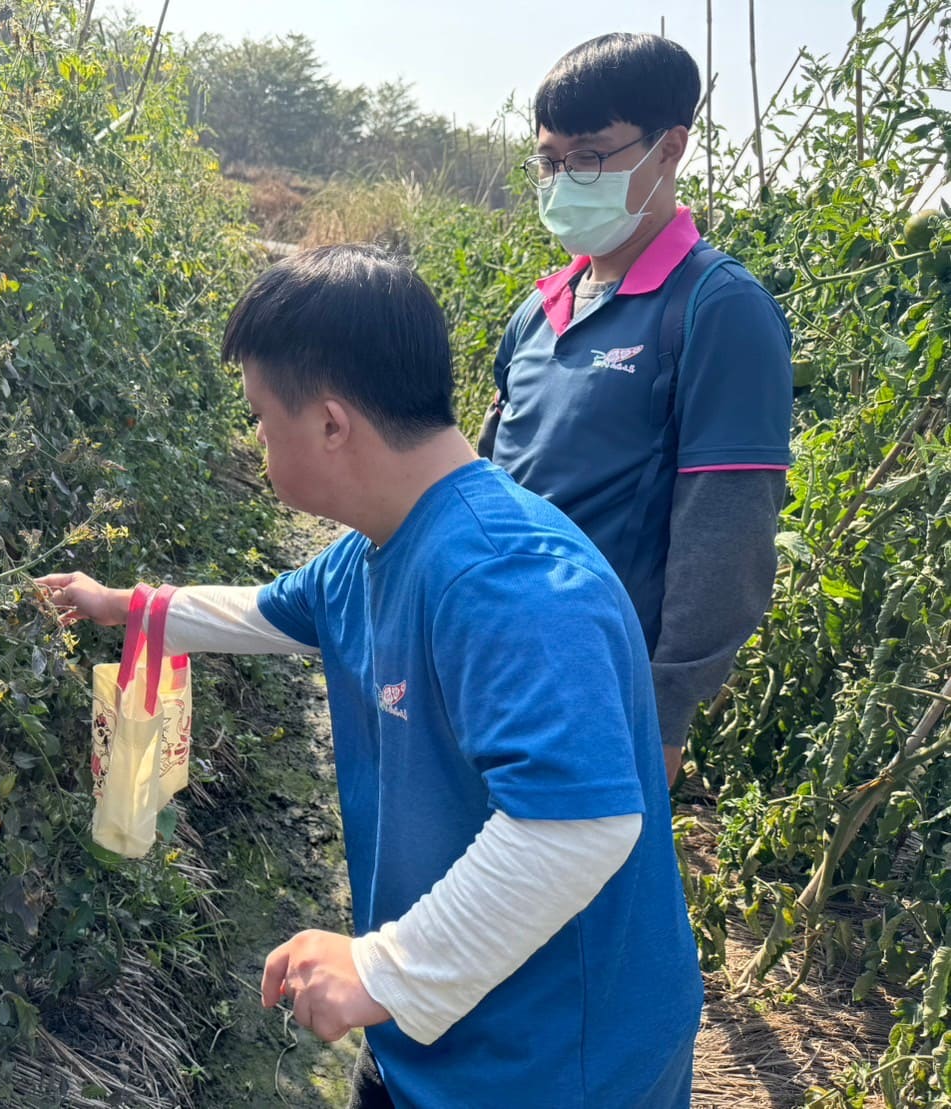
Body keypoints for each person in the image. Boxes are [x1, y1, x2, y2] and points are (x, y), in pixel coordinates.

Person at [39, 245, 702, 1108]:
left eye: (259, 419)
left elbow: (576, 825)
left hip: (558, 1062)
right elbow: (265, 613)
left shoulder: (509, 578)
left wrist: (379, 966)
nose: (257, 442)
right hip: (436, 1034)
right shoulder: (372, 554)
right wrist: (118, 605)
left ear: (329, 423)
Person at [480, 33, 794, 784]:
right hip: (487, 657)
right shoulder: (541, 306)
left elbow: (726, 525)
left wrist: (663, 712)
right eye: (549, 160)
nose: (562, 179)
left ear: (668, 149)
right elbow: (489, 472)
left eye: (587, 155)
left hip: (600, 690)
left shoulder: (715, 308)